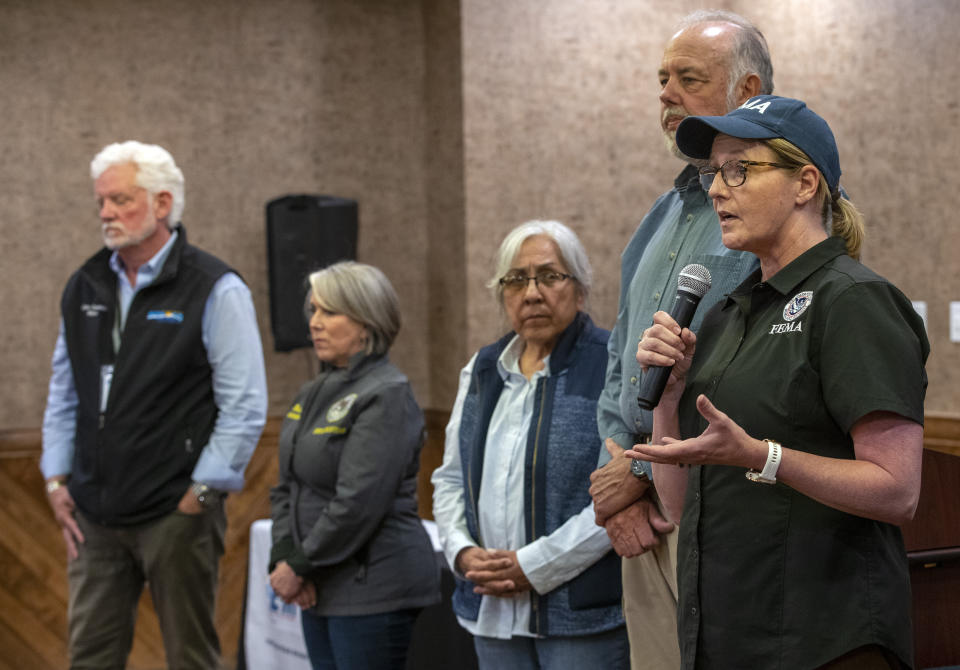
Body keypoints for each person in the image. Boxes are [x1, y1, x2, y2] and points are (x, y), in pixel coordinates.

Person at [628, 94, 928, 669]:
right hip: (726, 633)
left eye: (739, 168)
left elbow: (898, 490)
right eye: (713, 172)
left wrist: (761, 456)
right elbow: (681, 504)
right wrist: (667, 403)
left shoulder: (853, 301)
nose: (717, 189)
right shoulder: (724, 312)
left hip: (823, 641)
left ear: (805, 183)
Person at [588, 10, 772, 668]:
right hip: (639, 516)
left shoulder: (779, 215)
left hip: (723, 512)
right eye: (662, 78)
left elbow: (758, 374)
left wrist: (635, 475)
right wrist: (619, 470)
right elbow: (619, 361)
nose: (665, 94)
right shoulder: (660, 218)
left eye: (688, 78)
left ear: (747, 92)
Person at [40, 140, 268, 669]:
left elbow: (245, 405)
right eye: (101, 202)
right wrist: (56, 478)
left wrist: (203, 490)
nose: (105, 213)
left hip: (176, 512)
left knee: (191, 658)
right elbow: (64, 390)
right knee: (90, 658)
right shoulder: (85, 284)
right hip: (93, 514)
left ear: (162, 204)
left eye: (120, 200)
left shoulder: (214, 287)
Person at [432, 221, 629, 669]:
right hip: (492, 608)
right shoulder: (482, 370)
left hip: (579, 615)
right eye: (516, 280)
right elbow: (449, 479)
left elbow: (623, 488)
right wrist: (462, 552)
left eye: (550, 276)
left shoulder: (610, 363)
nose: (532, 293)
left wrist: (536, 566)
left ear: (580, 289)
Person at [268, 261, 440, 670]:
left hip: (373, 586)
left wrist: (299, 564)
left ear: (367, 323)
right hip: (319, 581)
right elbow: (284, 486)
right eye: (313, 311)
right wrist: (285, 556)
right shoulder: (313, 391)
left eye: (329, 312)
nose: (315, 323)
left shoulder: (387, 394)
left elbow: (358, 501)